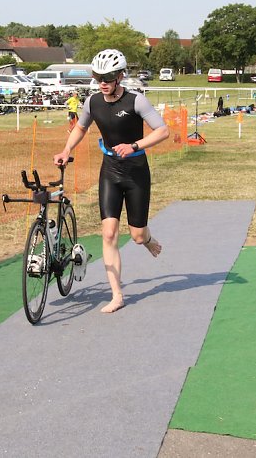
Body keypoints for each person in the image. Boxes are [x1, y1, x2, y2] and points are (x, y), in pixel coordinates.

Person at [53, 49, 169, 314]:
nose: (102, 83)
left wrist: (135, 145)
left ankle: (147, 238)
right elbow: (81, 127)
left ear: (120, 76)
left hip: (136, 172)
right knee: (108, 233)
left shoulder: (136, 101)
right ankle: (117, 295)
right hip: (110, 172)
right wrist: (66, 150)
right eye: (98, 77)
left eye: (107, 77)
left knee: (137, 236)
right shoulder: (92, 102)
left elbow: (163, 130)